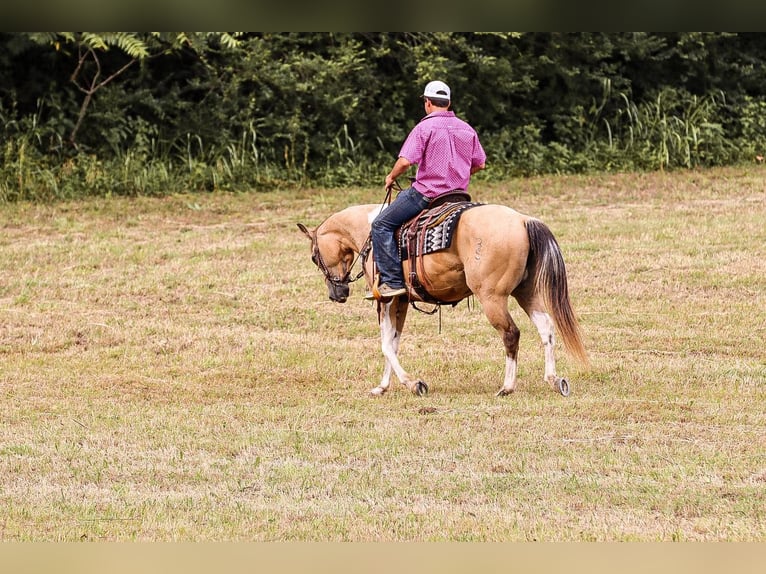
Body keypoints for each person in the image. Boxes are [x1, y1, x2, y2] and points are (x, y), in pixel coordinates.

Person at [370, 80, 487, 298]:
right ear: (449, 103)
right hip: (459, 197)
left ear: (427, 103)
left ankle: (392, 281)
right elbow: (480, 163)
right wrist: (461, 175)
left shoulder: (424, 127)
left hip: (427, 195)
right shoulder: (466, 128)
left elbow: (405, 162)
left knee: (381, 224)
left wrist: (391, 176)